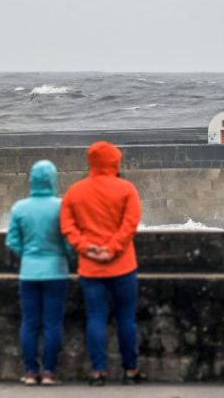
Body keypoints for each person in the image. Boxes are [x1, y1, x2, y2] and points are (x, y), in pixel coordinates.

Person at [60, 141, 145, 386]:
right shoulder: (127, 189)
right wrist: (112, 249)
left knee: (95, 318)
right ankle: (130, 371)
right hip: (123, 266)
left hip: (90, 267)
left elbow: (67, 226)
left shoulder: (75, 192)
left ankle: (98, 372)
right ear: (115, 162)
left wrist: (87, 247)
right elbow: (130, 225)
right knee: (126, 318)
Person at [5, 160, 72, 386]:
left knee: (30, 323)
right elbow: (69, 241)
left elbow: (12, 241)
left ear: (32, 180)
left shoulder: (20, 208)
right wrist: (66, 257)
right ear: (53, 179)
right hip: (56, 272)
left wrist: (28, 255)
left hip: (29, 272)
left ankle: (31, 372)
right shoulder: (61, 207)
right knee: (53, 323)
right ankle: (49, 372)